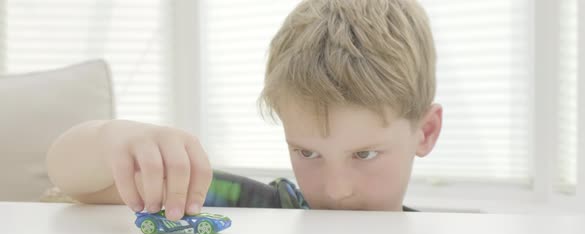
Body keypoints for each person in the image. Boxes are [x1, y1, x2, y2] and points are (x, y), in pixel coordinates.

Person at [46, 0, 442, 221]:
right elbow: (76, 180)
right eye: (308, 153)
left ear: (425, 132)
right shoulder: (264, 209)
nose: (337, 190)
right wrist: (116, 138)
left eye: (364, 154)